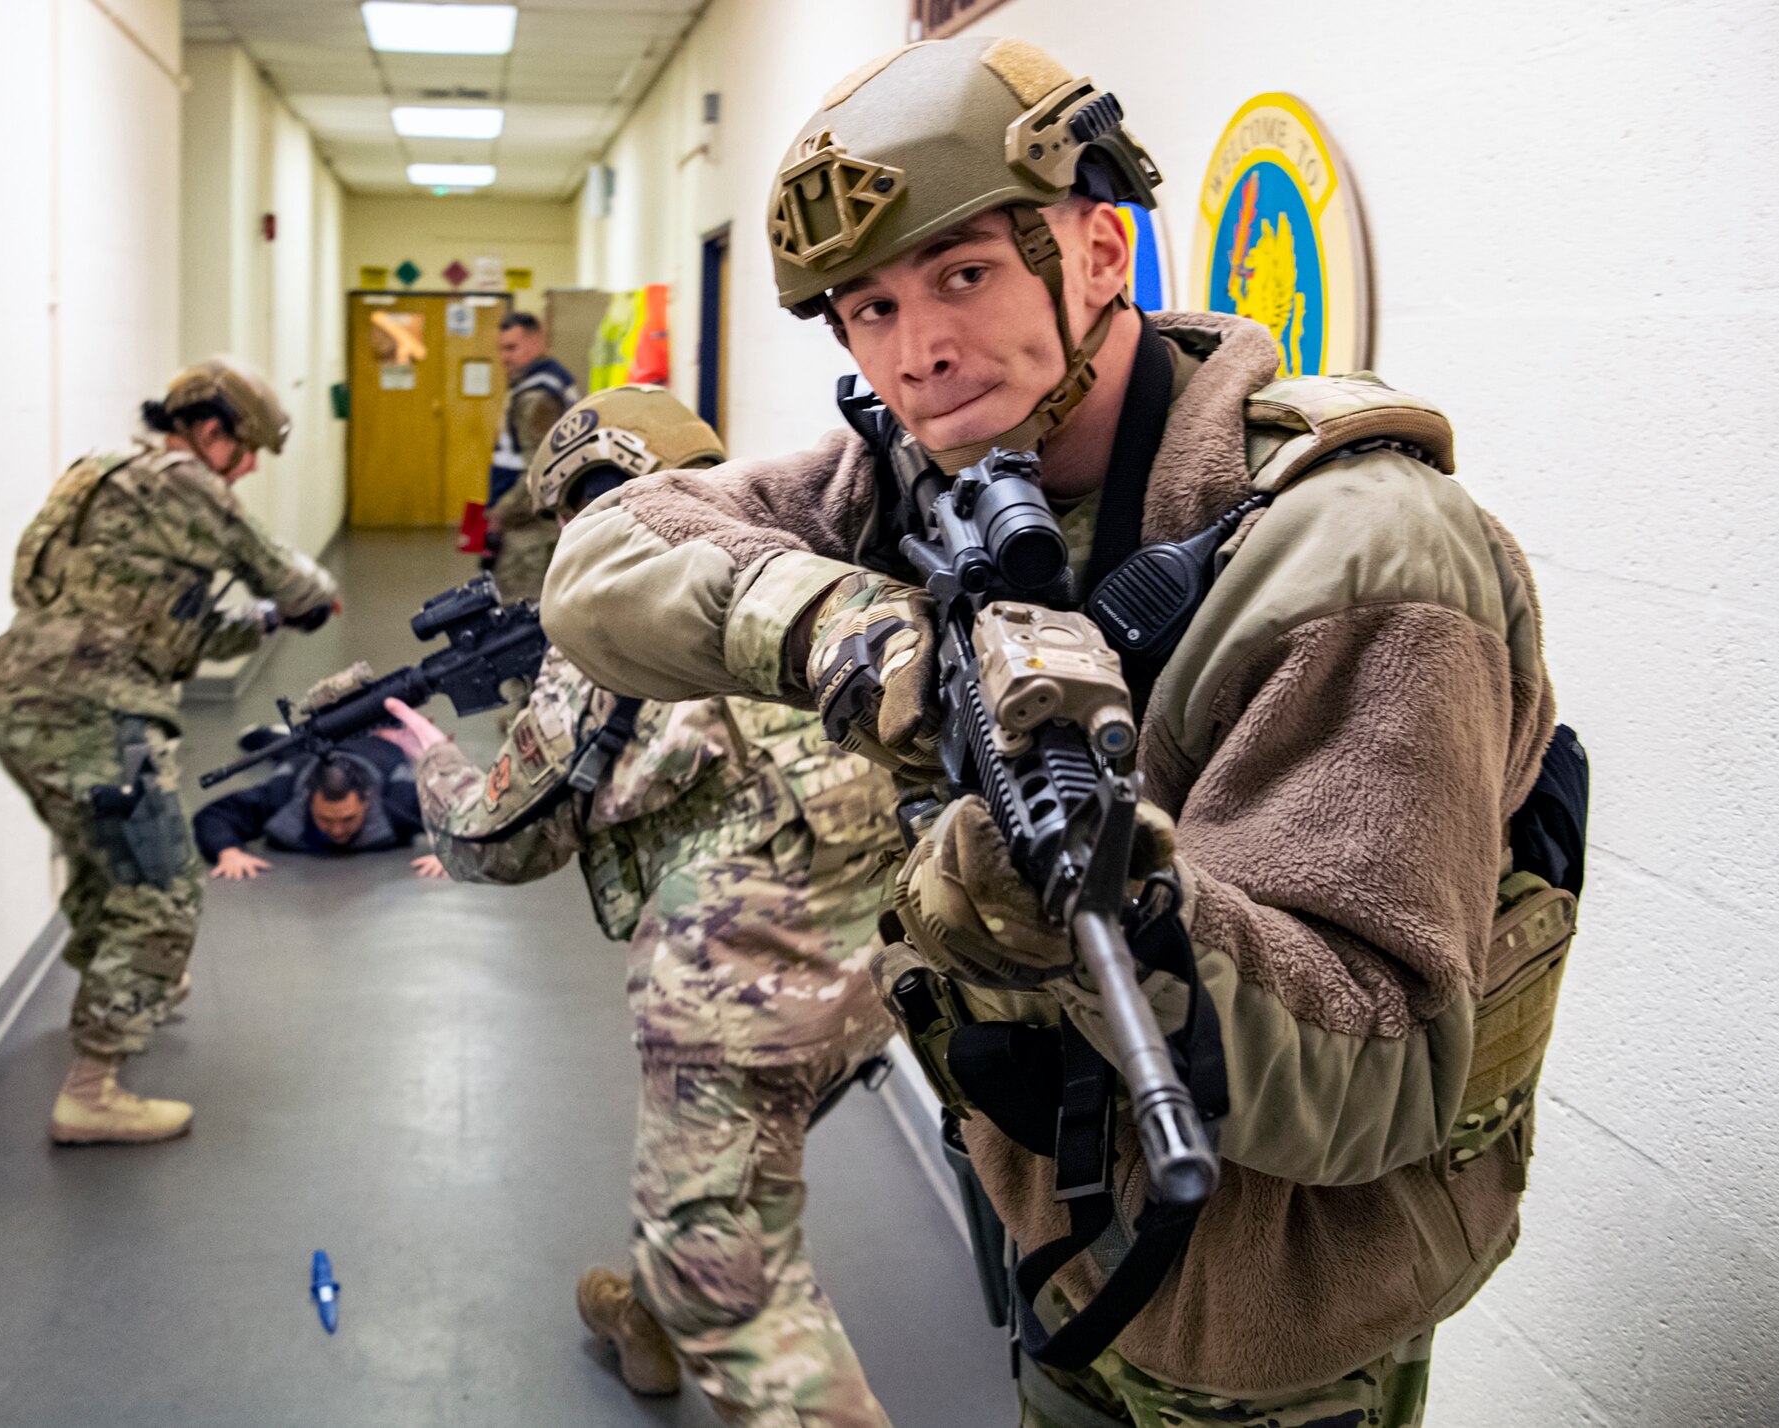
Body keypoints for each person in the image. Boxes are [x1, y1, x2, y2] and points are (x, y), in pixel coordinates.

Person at [538, 37, 1575, 1428]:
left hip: (1268, 1329)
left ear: (1098, 251)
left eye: (963, 274)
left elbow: (1379, 1075)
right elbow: (604, 565)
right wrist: (863, 638)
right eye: (868, 310)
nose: (919, 353)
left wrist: (1115, 924)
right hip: (1059, 1244)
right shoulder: (918, 474)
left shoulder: (1359, 556)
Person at [389, 384, 904, 1428]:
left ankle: (680, 1300)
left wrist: (435, 764)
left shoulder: (609, 619)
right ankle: (644, 1321)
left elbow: (503, 839)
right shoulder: (803, 557)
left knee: (728, 1278)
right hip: (888, 966)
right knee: (718, 1161)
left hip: (743, 988)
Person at [0, 356, 339, 1146]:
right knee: (165, 885)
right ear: (209, 430)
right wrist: (309, 601)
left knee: (108, 862)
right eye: (244, 453)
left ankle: (133, 986)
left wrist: (267, 624)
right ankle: (92, 1087)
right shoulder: (185, 485)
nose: (244, 472)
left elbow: (177, 628)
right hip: (99, 714)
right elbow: (293, 577)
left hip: (19, 698)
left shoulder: (107, 478)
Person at [193, 721, 444, 881]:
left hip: (375, 748)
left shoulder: (400, 800)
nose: (337, 830)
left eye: (348, 819)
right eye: (325, 819)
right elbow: (216, 814)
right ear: (309, 800)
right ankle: (276, 733)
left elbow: (460, 814)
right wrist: (227, 850)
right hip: (305, 755)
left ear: (366, 801)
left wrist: (452, 852)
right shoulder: (281, 795)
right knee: (286, 745)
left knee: (382, 735)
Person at [484, 311, 580, 602]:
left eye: (512, 348)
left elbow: (540, 471)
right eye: (501, 348)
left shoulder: (536, 397)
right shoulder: (552, 379)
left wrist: (499, 514)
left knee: (522, 617)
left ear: (536, 341)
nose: (504, 357)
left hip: (531, 536)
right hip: (536, 527)